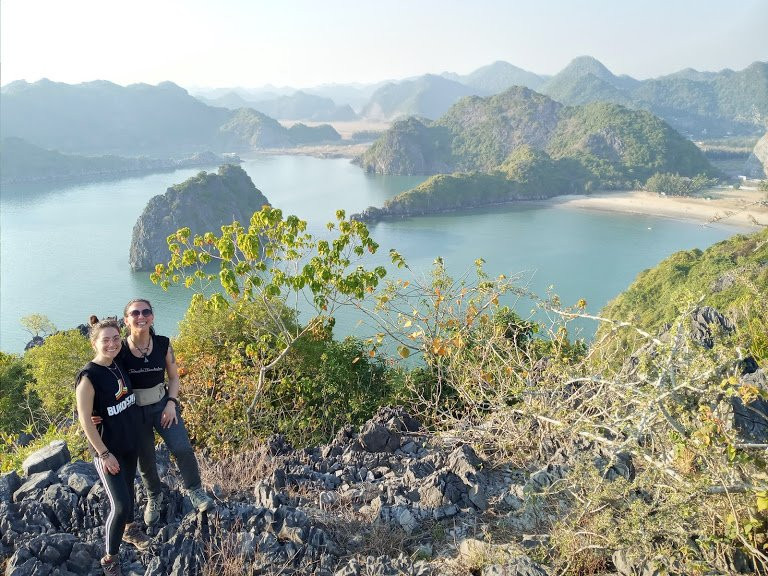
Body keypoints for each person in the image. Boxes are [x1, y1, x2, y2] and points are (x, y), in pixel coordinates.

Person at [120, 298, 215, 525]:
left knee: (182, 448)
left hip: (163, 405)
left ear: (152, 317)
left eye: (146, 312)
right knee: (146, 459)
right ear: (126, 320)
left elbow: (173, 377)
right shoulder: (120, 350)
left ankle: (195, 490)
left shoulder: (162, 344)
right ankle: (154, 495)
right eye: (135, 313)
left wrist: (171, 403)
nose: (141, 316)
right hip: (135, 412)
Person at [76, 316, 149, 576]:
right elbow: (85, 419)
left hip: (129, 443)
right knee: (119, 505)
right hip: (109, 451)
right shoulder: (89, 377)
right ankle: (110, 558)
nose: (112, 344)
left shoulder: (117, 364)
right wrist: (104, 454)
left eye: (116, 338)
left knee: (129, 495)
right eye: (105, 340)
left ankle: (130, 529)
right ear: (94, 343)